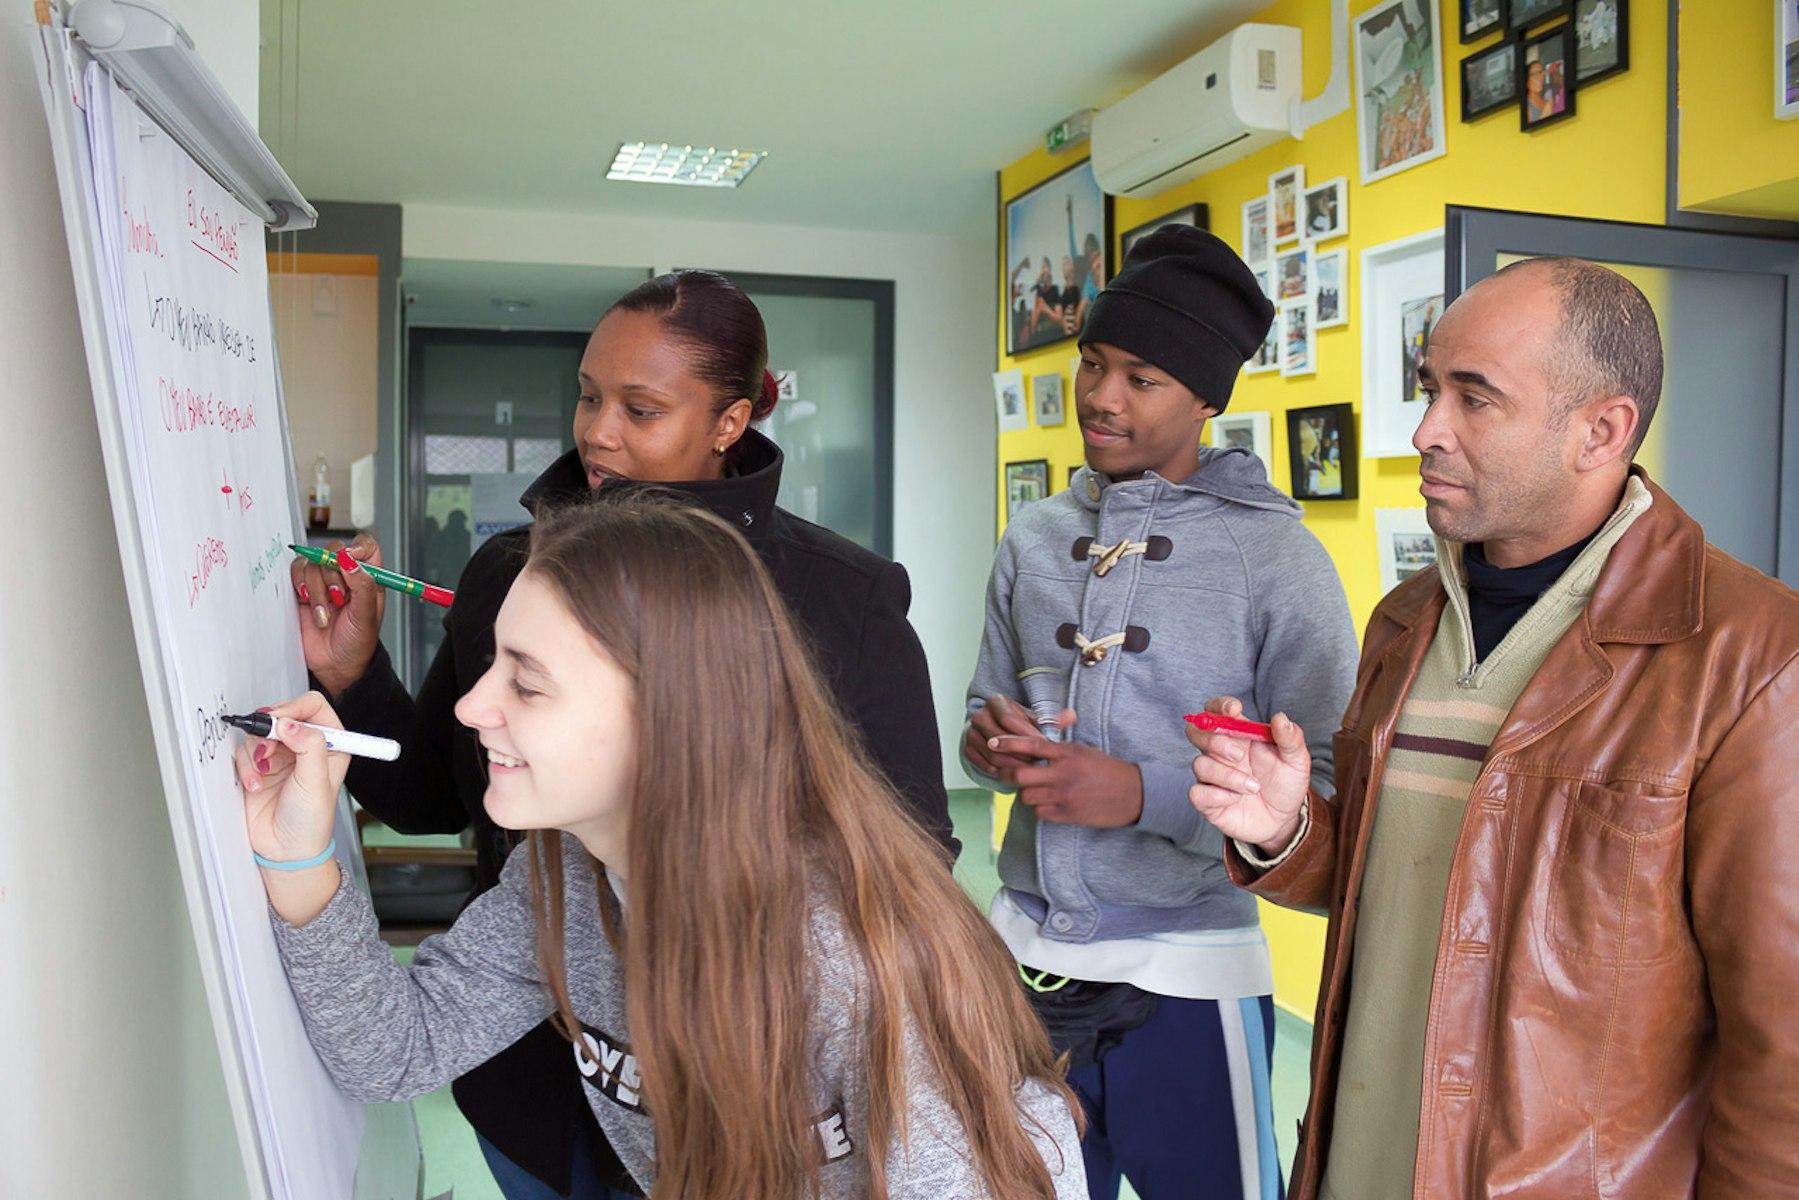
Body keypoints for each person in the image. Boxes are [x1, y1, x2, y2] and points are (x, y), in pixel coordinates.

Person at [291, 269, 954, 1198]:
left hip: (747, 1095)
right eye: (589, 396)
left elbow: (910, 859)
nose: (598, 432)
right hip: (532, 1072)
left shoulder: (841, 598)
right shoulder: (515, 576)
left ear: (728, 422)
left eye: (640, 410)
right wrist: (353, 677)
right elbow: (434, 799)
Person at [244, 498, 1089, 1200]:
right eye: (492, 662)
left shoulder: (850, 958)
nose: (471, 709)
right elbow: (396, 1049)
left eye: (526, 682)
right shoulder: (569, 874)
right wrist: (297, 854)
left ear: (668, 718)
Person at [1186, 257, 1799, 1199]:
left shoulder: (1750, 656)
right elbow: (1417, 886)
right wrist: (1288, 829)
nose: (1426, 430)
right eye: (1432, 390)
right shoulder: (1404, 620)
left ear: (1602, 430)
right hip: (1355, 1159)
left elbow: (1782, 1040)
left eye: (1475, 400)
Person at [962, 226, 1359, 1200]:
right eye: (1092, 365)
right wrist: (991, 746)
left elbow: (1332, 789)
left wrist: (1137, 792)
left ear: (1204, 399)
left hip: (1189, 972)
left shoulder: (1277, 560)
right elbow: (980, 714)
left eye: (1139, 377)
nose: (1099, 396)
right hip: (1022, 962)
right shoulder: (1036, 534)